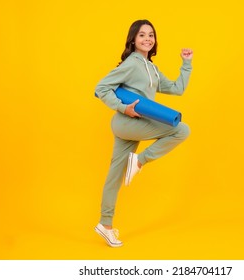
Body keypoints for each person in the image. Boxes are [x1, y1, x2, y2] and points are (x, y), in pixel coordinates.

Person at [94, 19, 193, 247]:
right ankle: (139, 161)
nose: (147, 38)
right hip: (126, 122)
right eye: (142, 35)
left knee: (115, 175)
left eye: (151, 35)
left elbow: (177, 89)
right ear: (133, 39)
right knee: (181, 129)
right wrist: (123, 107)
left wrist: (186, 64)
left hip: (130, 126)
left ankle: (105, 225)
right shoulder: (132, 63)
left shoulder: (152, 68)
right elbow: (101, 88)